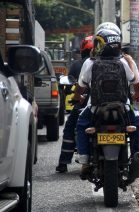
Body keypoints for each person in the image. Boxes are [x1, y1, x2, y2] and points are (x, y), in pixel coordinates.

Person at [73, 27, 139, 180]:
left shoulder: (90, 62)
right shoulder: (123, 61)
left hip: (95, 108)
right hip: (123, 107)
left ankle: (85, 160)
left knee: (81, 124)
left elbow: (81, 85)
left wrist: (77, 96)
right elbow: (135, 81)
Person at [55, 35, 93, 173]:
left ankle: (63, 162)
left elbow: (71, 86)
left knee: (70, 130)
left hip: (85, 106)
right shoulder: (115, 62)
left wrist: (75, 96)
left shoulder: (78, 64)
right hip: (107, 105)